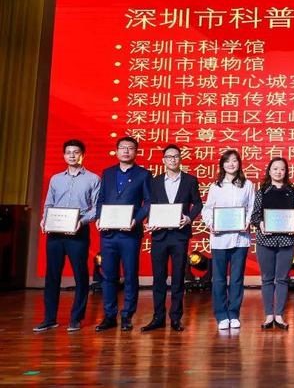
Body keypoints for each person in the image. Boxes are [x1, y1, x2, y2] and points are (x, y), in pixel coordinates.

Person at [34, 139, 100, 333]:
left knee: (80, 275)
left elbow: (96, 208)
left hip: (78, 232)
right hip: (55, 232)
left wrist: (82, 221)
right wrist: (44, 219)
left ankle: (76, 318)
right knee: (52, 275)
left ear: (82, 155)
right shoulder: (56, 179)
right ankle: (49, 319)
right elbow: (49, 203)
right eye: (68, 152)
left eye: (76, 152)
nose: (72, 155)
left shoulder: (93, 179)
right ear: (64, 155)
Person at [141, 144, 203, 332]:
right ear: (163, 160)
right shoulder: (155, 181)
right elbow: (150, 205)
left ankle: (176, 318)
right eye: (169, 157)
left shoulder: (190, 180)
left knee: (178, 278)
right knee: (158, 278)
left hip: (179, 235)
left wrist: (189, 218)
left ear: (180, 159)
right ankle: (158, 317)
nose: (172, 160)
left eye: (176, 156)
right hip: (159, 235)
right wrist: (149, 221)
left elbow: (198, 203)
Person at [95, 136, 152, 332]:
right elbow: (101, 199)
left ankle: (127, 315)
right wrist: (99, 218)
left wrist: (136, 220)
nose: (126, 151)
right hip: (108, 233)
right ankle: (109, 315)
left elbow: (148, 202)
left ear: (136, 152)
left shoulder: (143, 174)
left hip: (130, 233)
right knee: (108, 276)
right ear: (117, 151)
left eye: (130, 148)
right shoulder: (108, 173)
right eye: (122, 148)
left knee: (130, 275)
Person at [201, 149, 255, 331]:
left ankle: (234, 313)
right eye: (227, 161)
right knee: (219, 279)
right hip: (219, 239)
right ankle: (221, 314)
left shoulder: (247, 185)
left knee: (237, 278)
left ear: (239, 163)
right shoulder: (215, 186)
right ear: (222, 165)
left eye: (234, 160)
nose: (231, 164)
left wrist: (246, 222)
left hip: (240, 238)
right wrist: (211, 224)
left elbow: (251, 207)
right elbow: (207, 209)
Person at [251, 157, 294, 331]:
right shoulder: (262, 191)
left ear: (286, 172)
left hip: (286, 241)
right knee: (266, 279)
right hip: (265, 240)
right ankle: (268, 315)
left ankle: (279, 315)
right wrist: (261, 224)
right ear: (269, 171)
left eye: (282, 169)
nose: (278, 172)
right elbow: (255, 216)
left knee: (282, 279)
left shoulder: (292, 191)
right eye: (275, 169)